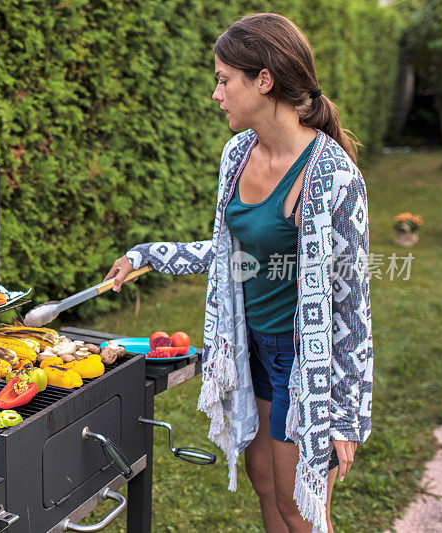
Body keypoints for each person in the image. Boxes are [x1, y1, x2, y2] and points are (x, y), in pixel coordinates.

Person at [103, 13, 372, 533]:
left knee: (302, 506)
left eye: (225, 79)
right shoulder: (237, 154)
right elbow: (233, 254)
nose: (216, 93)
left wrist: (346, 415)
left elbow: (351, 302)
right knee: (264, 484)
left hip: (304, 361)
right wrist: (148, 255)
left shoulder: (333, 176)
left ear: (263, 80)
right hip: (252, 348)